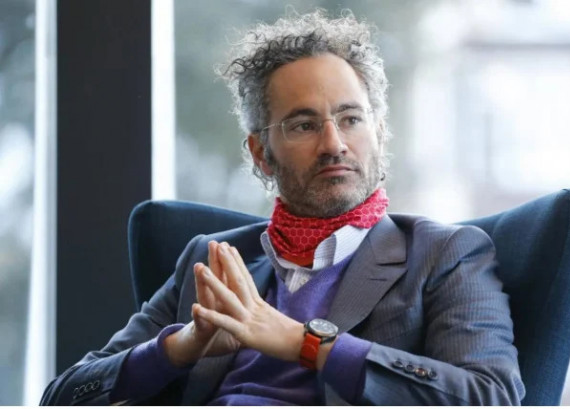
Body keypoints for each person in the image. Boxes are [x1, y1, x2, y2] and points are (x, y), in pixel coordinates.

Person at [41, 10, 525, 405]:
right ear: (260, 153)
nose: (334, 144)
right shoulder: (209, 260)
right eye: (303, 125)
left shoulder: (444, 254)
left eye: (351, 119)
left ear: (379, 133)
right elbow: (63, 396)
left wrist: (304, 343)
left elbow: (490, 396)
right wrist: (179, 347)